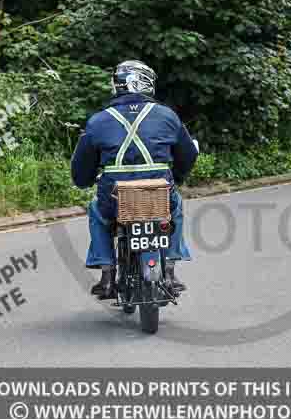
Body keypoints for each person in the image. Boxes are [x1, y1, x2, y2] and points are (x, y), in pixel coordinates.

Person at [71, 60, 199, 300]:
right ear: (146, 84)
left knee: (98, 211)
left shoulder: (98, 120)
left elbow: (81, 168)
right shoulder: (166, 115)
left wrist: (84, 180)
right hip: (158, 192)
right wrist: (178, 177)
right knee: (176, 206)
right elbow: (188, 154)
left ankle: (107, 275)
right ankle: (170, 269)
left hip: (114, 196)